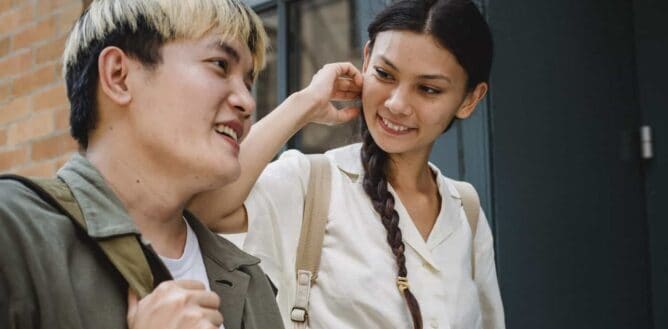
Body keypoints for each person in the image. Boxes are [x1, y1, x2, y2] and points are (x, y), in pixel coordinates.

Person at [0, 0, 335, 328]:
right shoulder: (14, 231)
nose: (247, 102)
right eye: (219, 65)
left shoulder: (248, 279)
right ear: (118, 75)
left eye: (248, 82)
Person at [190, 0, 505, 328]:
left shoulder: (466, 211)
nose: (396, 104)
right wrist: (304, 103)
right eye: (384, 74)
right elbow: (206, 207)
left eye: (428, 89)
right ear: (366, 59)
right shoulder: (311, 184)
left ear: (470, 99)